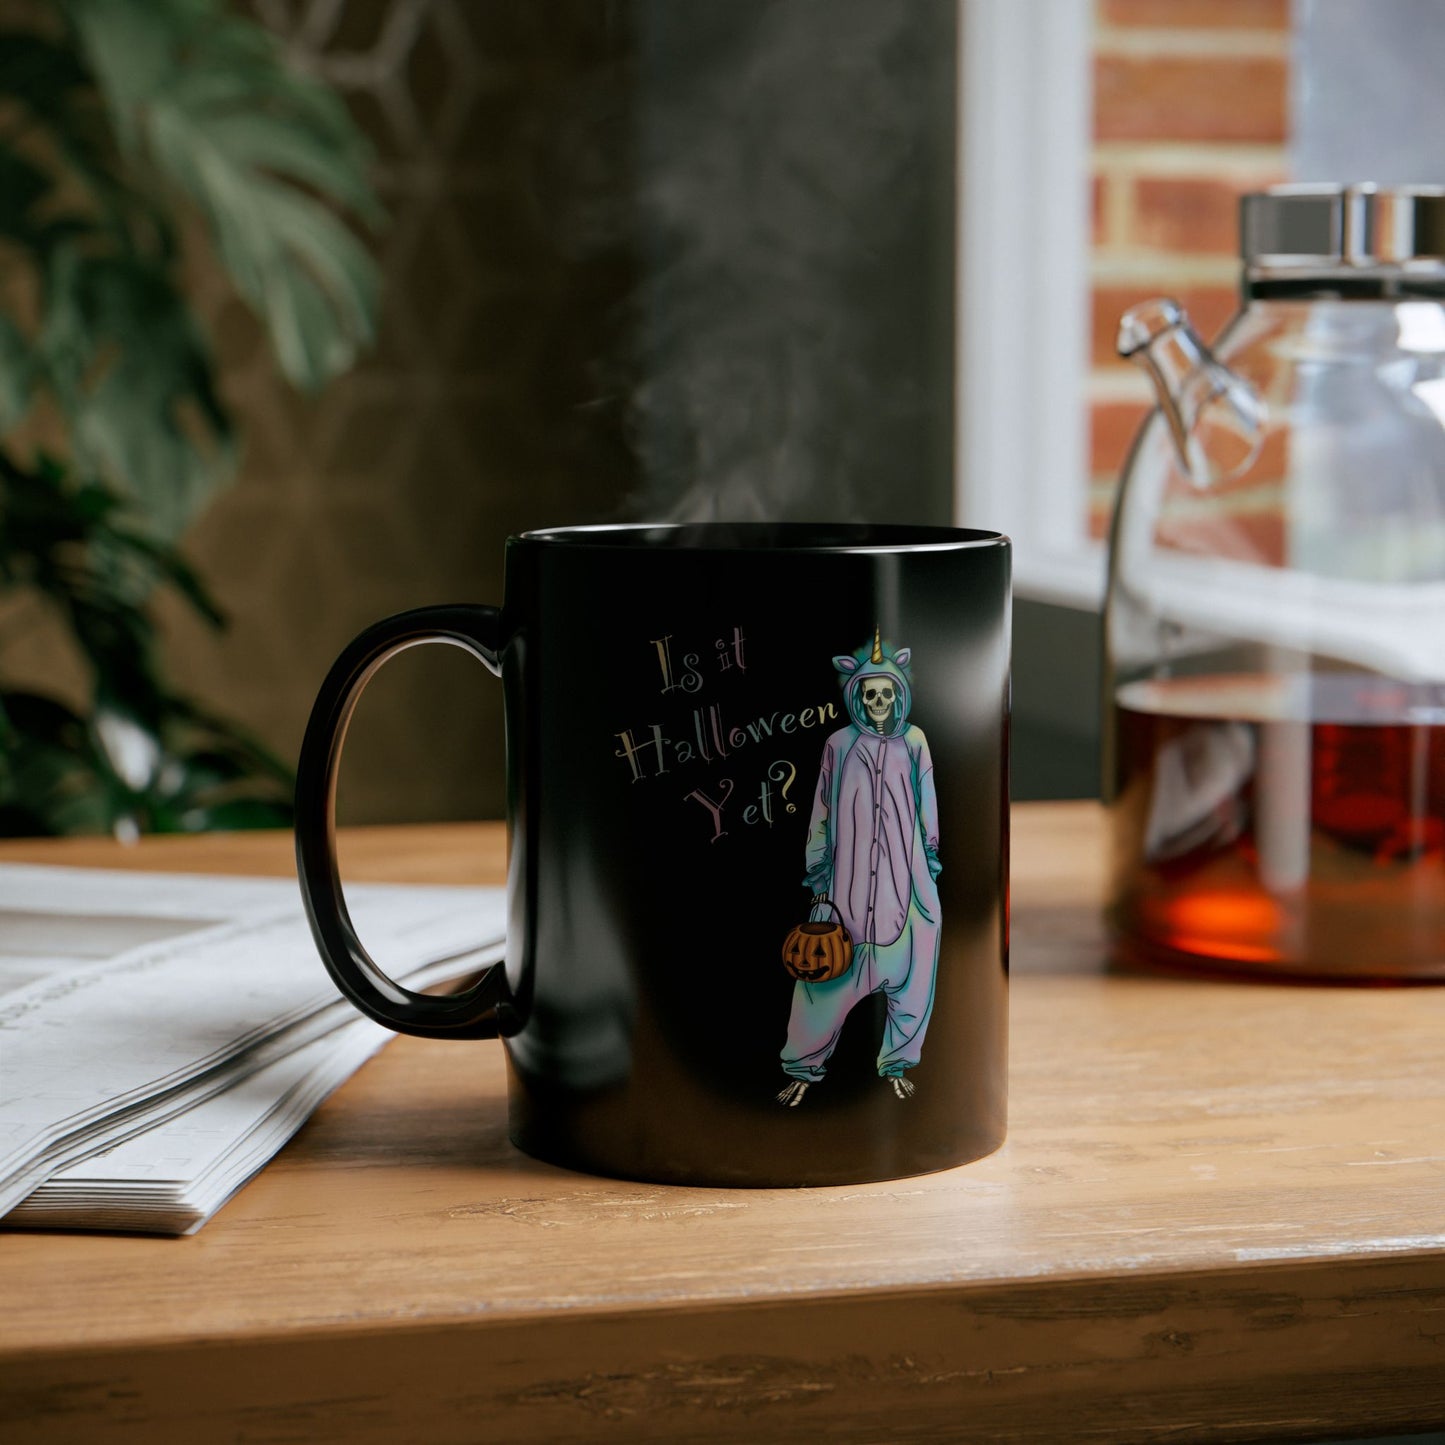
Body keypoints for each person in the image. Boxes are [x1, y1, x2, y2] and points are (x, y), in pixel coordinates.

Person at [778, 628, 942, 1105]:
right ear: (857, 695)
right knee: (822, 983)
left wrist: (928, 858)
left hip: (903, 888)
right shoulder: (838, 745)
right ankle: (802, 1069)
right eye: (870, 693)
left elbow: (928, 803)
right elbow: (821, 811)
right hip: (844, 893)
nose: (878, 700)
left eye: (886, 692)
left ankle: (897, 1064)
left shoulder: (914, 743)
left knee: (913, 980)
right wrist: (818, 869)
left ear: (898, 695)